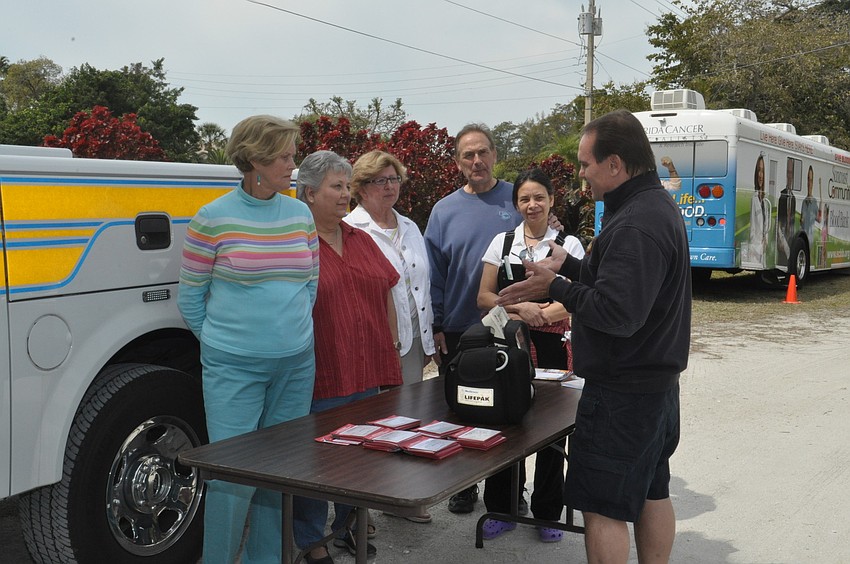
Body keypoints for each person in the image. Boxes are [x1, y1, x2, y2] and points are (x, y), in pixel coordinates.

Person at [496, 109, 691, 564]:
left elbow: (619, 313)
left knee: (602, 507)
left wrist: (556, 287)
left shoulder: (636, 223)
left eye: (586, 164)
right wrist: (572, 267)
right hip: (652, 387)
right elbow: (627, 292)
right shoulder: (654, 207)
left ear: (615, 164)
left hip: (623, 391)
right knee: (651, 490)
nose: (581, 175)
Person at [177, 115, 319, 564]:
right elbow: (190, 296)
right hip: (232, 367)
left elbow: (309, 285)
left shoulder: (299, 213)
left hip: (296, 365)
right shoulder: (213, 218)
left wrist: (290, 335)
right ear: (254, 159)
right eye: (284, 156)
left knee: (281, 475)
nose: (292, 166)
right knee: (232, 476)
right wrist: (222, 346)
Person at [292, 150, 402, 564]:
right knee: (317, 460)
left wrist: (390, 345)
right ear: (308, 194)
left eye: (346, 185)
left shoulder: (362, 239)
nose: (345, 195)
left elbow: (387, 289)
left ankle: (349, 528)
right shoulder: (297, 244)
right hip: (324, 371)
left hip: (368, 368)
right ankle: (310, 540)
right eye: (336, 187)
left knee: (361, 459)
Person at [476, 167, 585, 542]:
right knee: (506, 425)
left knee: (552, 430)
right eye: (524, 198)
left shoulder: (568, 245)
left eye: (539, 196)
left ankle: (547, 513)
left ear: (551, 199)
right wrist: (523, 311)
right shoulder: (501, 242)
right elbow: (484, 296)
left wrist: (543, 314)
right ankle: (503, 508)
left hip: (556, 348)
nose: (532, 204)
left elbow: (577, 299)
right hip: (509, 347)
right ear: (516, 204)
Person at [424, 123, 522, 515]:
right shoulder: (443, 210)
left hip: (510, 323)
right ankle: (463, 485)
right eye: (468, 155)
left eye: (483, 152)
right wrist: (437, 326)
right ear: (458, 162)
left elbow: (542, 234)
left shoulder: (517, 198)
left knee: (511, 410)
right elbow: (434, 274)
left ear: (495, 155)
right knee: (463, 408)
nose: (477, 161)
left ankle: (510, 491)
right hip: (460, 328)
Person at [345, 150, 436, 386]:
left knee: (412, 414)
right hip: (374, 344)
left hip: (415, 339)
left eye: (394, 179)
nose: (390, 186)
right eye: (380, 180)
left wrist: (428, 340)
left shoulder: (410, 227)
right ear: (361, 188)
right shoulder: (349, 230)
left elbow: (423, 286)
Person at [748, 155, 769, 266]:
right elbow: (752, 226)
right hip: (755, 247)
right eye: (759, 171)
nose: (761, 175)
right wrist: (754, 247)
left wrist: (765, 240)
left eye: (762, 172)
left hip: (762, 246)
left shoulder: (764, 200)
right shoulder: (754, 199)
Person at [777, 157, 797, 267]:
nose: (789, 176)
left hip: (790, 235)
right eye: (788, 173)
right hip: (782, 235)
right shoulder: (781, 195)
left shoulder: (793, 198)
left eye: (791, 173)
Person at [801, 165, 818, 244]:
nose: (809, 183)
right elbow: (802, 220)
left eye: (811, 180)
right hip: (802, 237)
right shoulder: (804, 202)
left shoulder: (814, 202)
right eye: (808, 179)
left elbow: (819, 219)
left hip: (810, 238)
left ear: (813, 182)